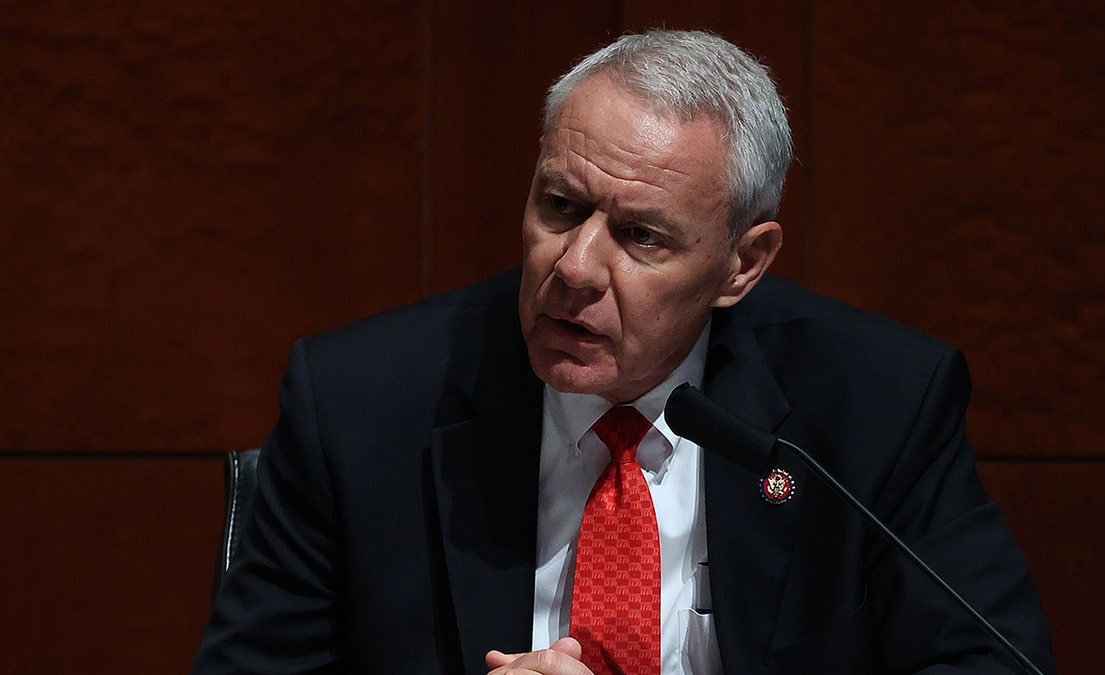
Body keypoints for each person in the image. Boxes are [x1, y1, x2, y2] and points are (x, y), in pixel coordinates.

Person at [192, 30, 1055, 674]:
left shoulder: (876, 406)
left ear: (743, 263)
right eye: (561, 207)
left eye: (641, 236)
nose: (572, 269)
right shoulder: (359, 403)